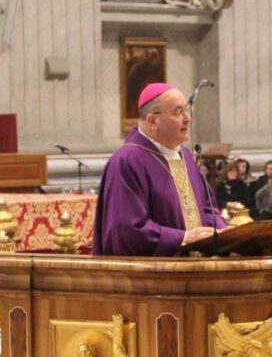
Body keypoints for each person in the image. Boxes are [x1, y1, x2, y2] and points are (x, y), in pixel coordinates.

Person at [92, 83, 223, 256]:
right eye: (178, 112)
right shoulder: (127, 162)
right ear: (152, 121)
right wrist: (182, 238)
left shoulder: (185, 156)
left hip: (199, 272)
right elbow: (126, 232)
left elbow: (207, 208)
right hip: (154, 277)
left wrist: (221, 232)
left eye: (186, 110)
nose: (187, 118)